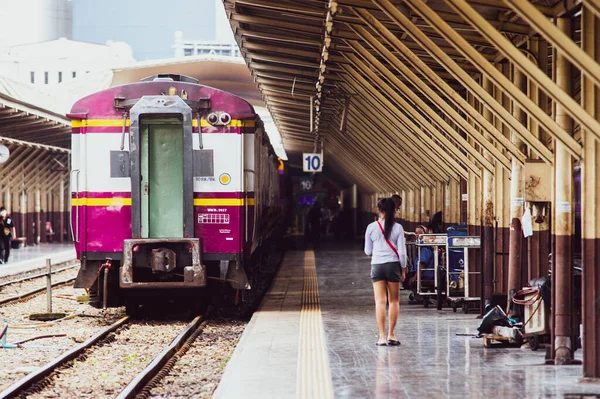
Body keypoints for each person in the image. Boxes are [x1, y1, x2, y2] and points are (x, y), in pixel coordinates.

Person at [364, 198, 407, 346]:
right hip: (393, 265)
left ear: (379, 210)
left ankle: (381, 337)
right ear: (393, 210)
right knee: (394, 301)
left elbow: (367, 251)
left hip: (377, 265)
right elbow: (402, 252)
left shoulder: (371, 227)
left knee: (380, 301)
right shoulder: (398, 228)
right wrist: (403, 268)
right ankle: (392, 335)